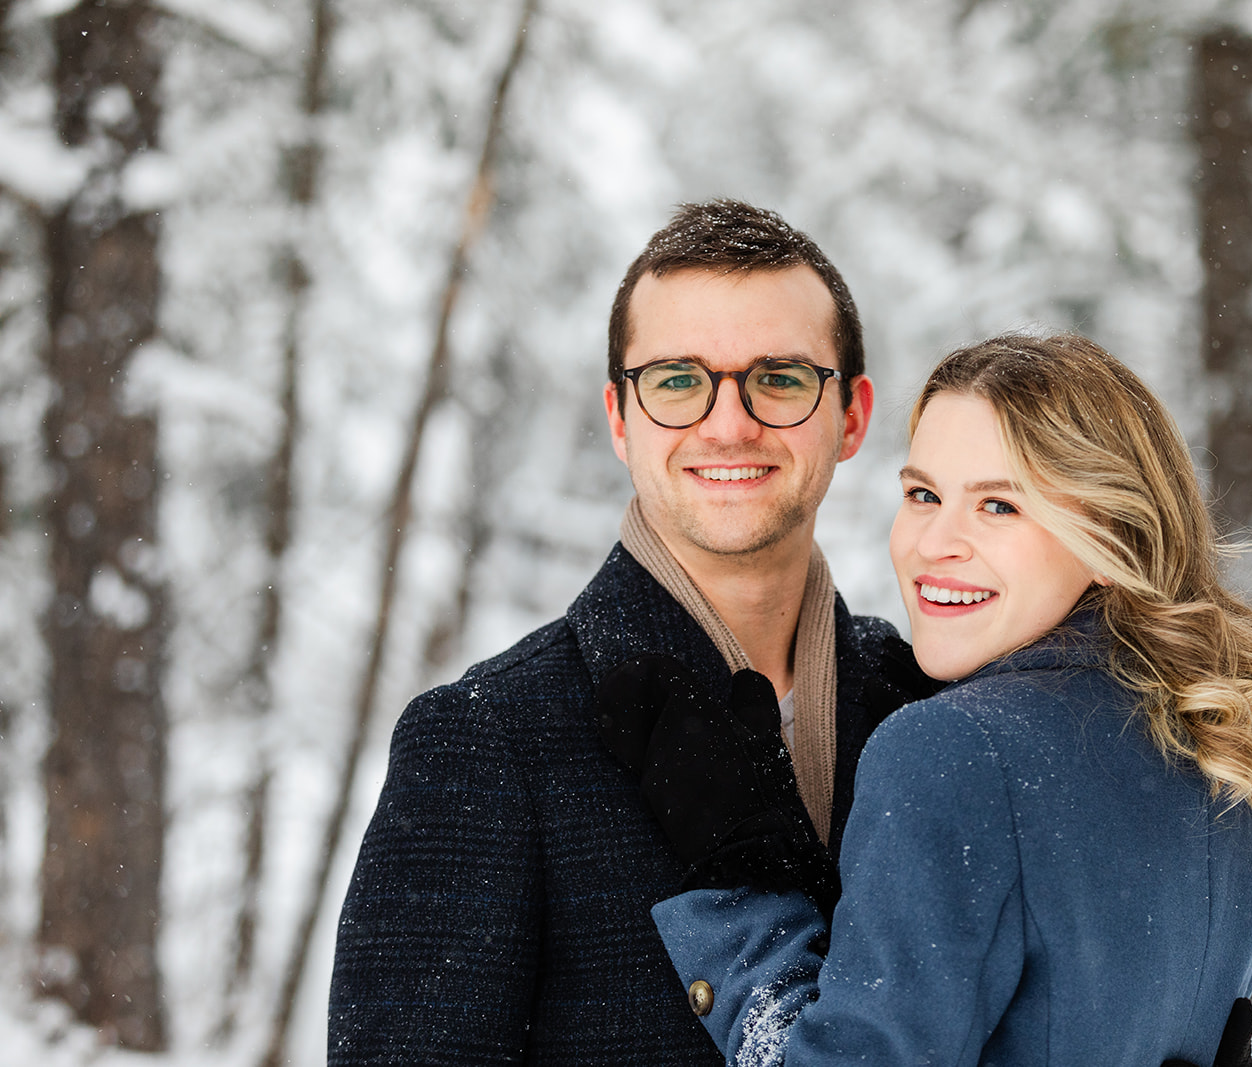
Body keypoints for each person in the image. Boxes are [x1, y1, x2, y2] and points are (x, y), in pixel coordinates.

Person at [605, 333, 1252, 1066]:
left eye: (998, 506)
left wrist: (744, 882)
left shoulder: (953, 752)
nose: (933, 542)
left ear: (1110, 535)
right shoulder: (1215, 740)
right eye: (923, 494)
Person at [327, 200, 936, 1065]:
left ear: (852, 416)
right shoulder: (486, 738)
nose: (730, 423)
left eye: (782, 377)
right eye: (678, 381)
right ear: (620, 416)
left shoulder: (926, 705)